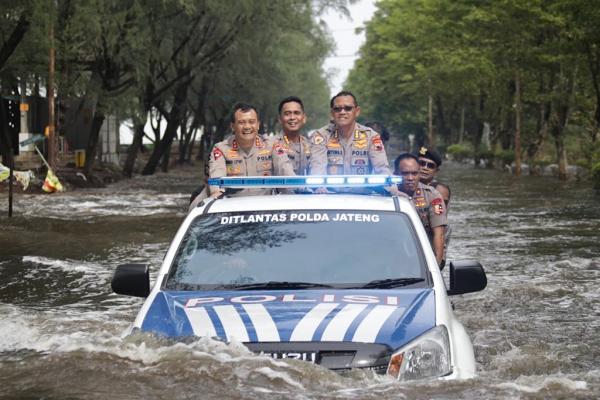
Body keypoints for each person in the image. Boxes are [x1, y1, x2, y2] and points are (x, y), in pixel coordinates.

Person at [204, 103, 295, 200]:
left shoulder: (272, 146)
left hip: (266, 203)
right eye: (241, 122)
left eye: (251, 122)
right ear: (232, 126)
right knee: (196, 206)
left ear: (258, 125)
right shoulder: (221, 149)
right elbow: (216, 179)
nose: (247, 126)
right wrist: (216, 193)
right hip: (230, 204)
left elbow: (286, 172)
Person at [309, 91, 391, 176]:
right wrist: (319, 187)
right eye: (337, 109)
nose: (342, 112)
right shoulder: (321, 136)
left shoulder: (371, 136)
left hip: (363, 189)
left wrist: (392, 188)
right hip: (329, 189)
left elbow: (382, 169)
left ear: (357, 111)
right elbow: (317, 167)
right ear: (332, 113)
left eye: (348, 108)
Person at [394, 152, 447, 267]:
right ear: (395, 174)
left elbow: (439, 234)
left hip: (423, 258)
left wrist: (435, 267)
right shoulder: (386, 195)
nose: (410, 178)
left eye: (414, 173)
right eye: (405, 174)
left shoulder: (433, 196)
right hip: (393, 255)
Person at [273, 96, 311, 175]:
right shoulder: (270, 145)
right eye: (287, 114)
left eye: (296, 113)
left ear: (304, 118)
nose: (292, 117)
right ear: (280, 119)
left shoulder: (310, 145)